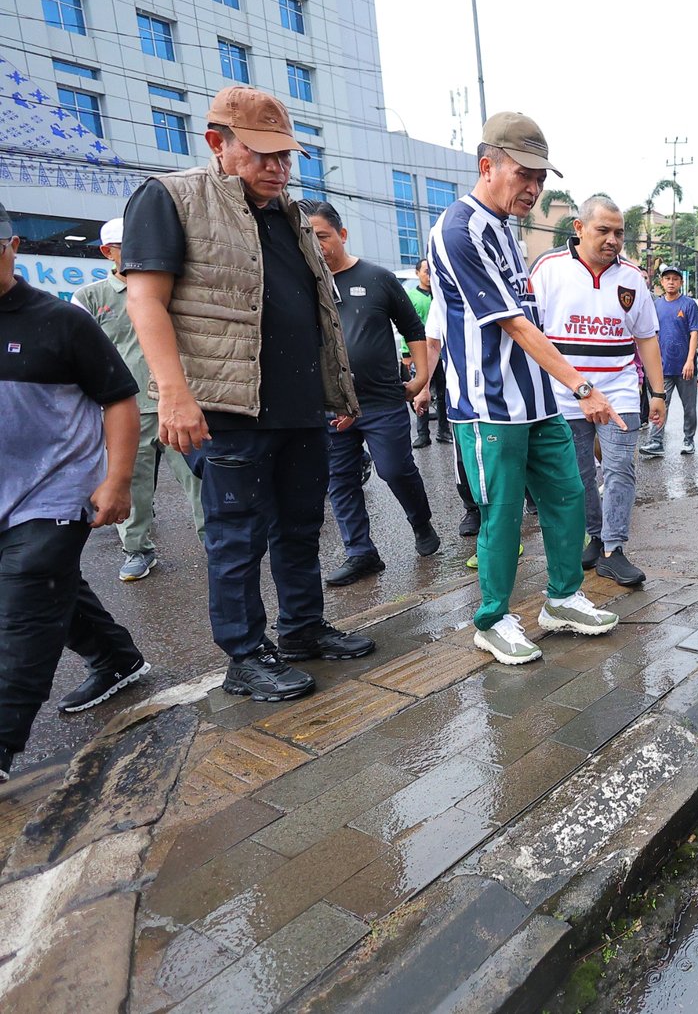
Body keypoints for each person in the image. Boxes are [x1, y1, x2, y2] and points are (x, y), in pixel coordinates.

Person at [122, 85, 372, 703]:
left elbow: (314, 311)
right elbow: (145, 299)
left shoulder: (290, 215)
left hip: (298, 406)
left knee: (299, 525)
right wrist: (174, 394)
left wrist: (335, 395)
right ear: (217, 143)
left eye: (284, 155)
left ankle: (303, 629)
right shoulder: (172, 198)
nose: (276, 166)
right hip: (226, 409)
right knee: (237, 534)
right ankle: (243, 655)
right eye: (261, 153)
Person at [430, 111, 622, 664]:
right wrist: (584, 387)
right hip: (490, 406)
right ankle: (492, 619)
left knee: (567, 496)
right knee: (503, 513)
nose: (534, 189)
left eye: (541, 178)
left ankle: (562, 599)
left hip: (537, 400)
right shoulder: (459, 230)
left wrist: (563, 387)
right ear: (487, 166)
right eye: (524, 175)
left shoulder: (506, 231)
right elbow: (514, 323)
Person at [0, 207, 149, 780]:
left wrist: (115, 479)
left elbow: (118, 398)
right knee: (49, 590)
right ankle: (115, 657)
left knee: (23, 609)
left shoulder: (62, 321)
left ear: (12, 245)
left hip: (55, 492)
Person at [300, 200, 440, 585]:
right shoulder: (304, 285)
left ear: (342, 235)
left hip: (381, 400)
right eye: (307, 237)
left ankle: (421, 523)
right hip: (329, 407)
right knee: (340, 480)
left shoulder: (377, 278)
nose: (316, 245)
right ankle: (360, 552)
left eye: (323, 236)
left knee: (394, 468)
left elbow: (413, 328)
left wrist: (420, 380)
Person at [532, 195, 666, 588]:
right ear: (579, 228)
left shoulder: (632, 278)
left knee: (621, 467)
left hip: (620, 390)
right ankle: (594, 535)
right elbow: (529, 332)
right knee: (578, 475)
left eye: (619, 233)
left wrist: (657, 393)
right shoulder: (547, 270)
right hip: (564, 395)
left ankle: (613, 549)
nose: (613, 240)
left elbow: (647, 337)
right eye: (603, 230)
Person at [73, 217, 205, 582]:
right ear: (107, 252)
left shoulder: (169, 289)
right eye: (123, 248)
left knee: (199, 478)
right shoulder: (89, 298)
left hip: (178, 403)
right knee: (133, 484)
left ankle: (216, 542)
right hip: (127, 409)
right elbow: (83, 359)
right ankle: (138, 550)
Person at [640, 265, 698, 458]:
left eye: (675, 279)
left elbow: (694, 333)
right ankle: (656, 442)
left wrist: (690, 360)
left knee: (689, 408)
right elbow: (651, 335)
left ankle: (689, 440)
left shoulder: (689, 304)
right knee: (659, 404)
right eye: (667, 279)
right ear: (662, 282)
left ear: (681, 282)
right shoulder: (656, 305)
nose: (671, 282)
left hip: (685, 368)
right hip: (663, 367)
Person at [408, 257, 451, 448]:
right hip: (421, 353)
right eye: (425, 271)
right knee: (421, 392)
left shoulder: (440, 294)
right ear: (417, 273)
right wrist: (406, 354)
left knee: (442, 395)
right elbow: (405, 327)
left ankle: (443, 430)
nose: (428, 275)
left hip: (442, 355)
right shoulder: (412, 297)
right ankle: (423, 434)